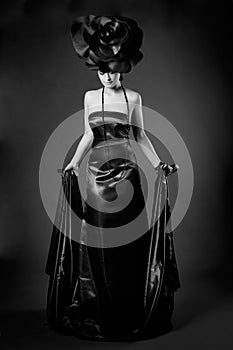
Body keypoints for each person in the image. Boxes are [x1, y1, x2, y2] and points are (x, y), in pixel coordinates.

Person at [45, 15, 181, 341]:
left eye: (113, 69)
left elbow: (141, 136)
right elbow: (87, 136)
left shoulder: (133, 99)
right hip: (95, 175)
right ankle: (100, 309)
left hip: (128, 176)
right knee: (100, 242)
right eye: (102, 70)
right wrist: (73, 164)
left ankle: (128, 309)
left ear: (123, 65)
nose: (107, 76)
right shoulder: (90, 98)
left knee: (128, 243)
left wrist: (160, 163)